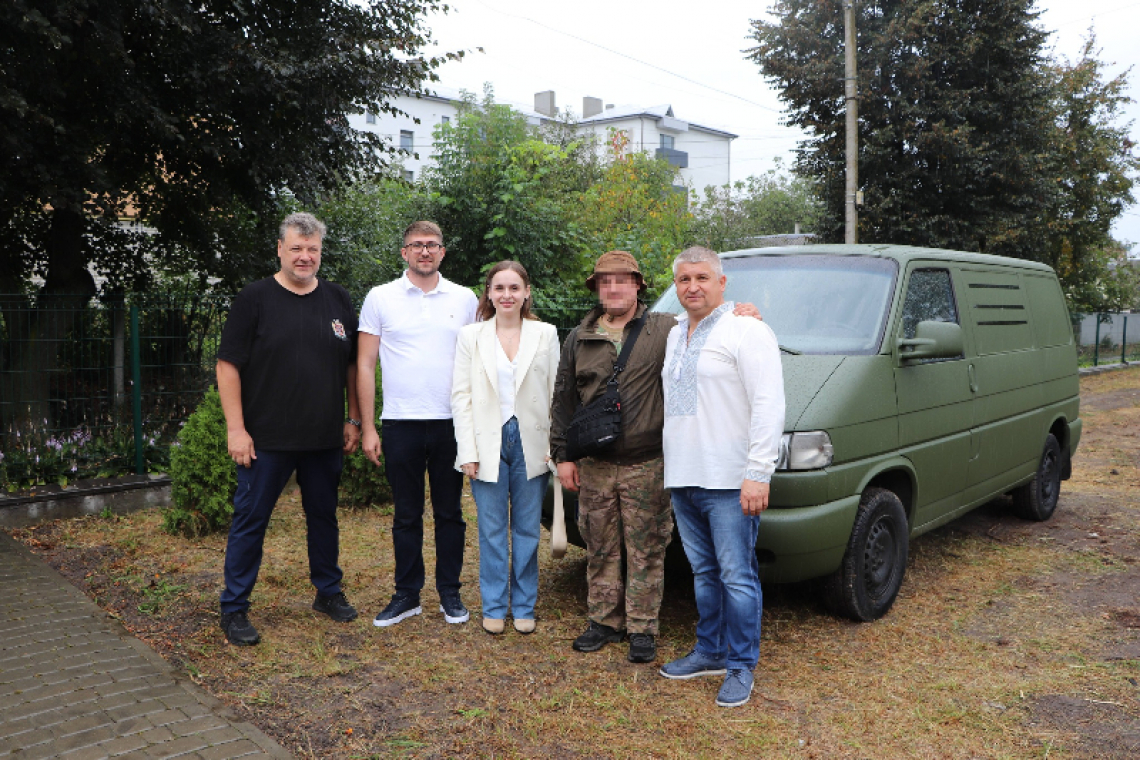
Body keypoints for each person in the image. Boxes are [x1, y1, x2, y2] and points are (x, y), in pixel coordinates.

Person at [215, 212, 362, 647]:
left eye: (312, 248)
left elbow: (352, 365)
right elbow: (227, 367)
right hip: (266, 441)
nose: (304, 256)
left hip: (322, 439)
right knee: (250, 522)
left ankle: (328, 591)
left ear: (321, 252)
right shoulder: (254, 299)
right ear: (280, 249)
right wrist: (236, 429)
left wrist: (352, 418)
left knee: (323, 519)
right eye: (296, 248)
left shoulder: (337, 299)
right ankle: (234, 608)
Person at [658, 246, 785, 709]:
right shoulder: (675, 335)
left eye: (702, 278)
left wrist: (758, 473)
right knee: (704, 571)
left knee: (737, 576)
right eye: (684, 279)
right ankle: (709, 651)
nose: (692, 286)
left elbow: (769, 404)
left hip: (731, 480)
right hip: (685, 476)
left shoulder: (748, 330)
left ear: (722, 283)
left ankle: (740, 665)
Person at [357, 221, 479, 627]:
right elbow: (365, 363)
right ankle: (407, 594)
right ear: (404, 252)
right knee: (406, 515)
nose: (425, 251)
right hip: (399, 423)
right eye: (416, 245)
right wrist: (368, 426)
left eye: (432, 245)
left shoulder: (465, 299)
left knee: (450, 514)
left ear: (443, 252)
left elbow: (478, 361)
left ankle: (450, 593)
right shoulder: (380, 298)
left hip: (451, 424)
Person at [451, 261, 560, 635]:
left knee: (528, 530)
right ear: (489, 293)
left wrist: (554, 447)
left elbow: (555, 395)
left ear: (527, 292)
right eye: (499, 288)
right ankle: (495, 606)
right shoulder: (471, 336)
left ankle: (525, 605)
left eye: (514, 288)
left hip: (532, 442)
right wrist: (467, 451)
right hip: (486, 442)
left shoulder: (545, 334)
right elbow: (461, 396)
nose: (507, 295)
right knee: (492, 530)